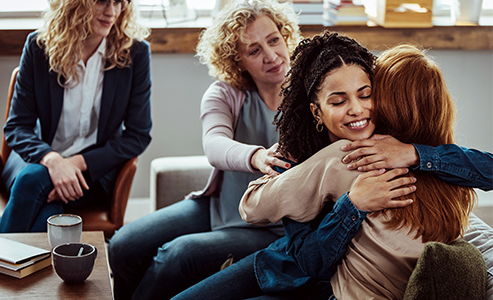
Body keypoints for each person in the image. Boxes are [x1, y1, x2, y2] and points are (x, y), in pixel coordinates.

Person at [172, 33, 490, 299]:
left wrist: (414, 153)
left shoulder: (388, 150)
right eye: (338, 101)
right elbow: (281, 232)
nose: (356, 109)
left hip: (323, 283)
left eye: (366, 95)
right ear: (317, 111)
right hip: (286, 265)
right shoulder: (315, 154)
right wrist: (353, 205)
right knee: (181, 261)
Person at [107, 1, 302, 299]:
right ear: (237, 61)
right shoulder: (224, 93)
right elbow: (214, 145)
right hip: (220, 207)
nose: (271, 56)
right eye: (254, 50)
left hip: (274, 229)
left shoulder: (312, 94)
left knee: (177, 254)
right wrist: (256, 156)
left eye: (274, 40)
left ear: (285, 35)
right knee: (123, 244)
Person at [0, 0, 152, 233]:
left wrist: (74, 165)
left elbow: (137, 136)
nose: (111, 12)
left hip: (91, 175)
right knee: (37, 187)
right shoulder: (39, 47)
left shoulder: (136, 53)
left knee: (36, 189)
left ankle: (0, 266)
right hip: (37, 160)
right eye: (101, 1)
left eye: (119, 2)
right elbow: (17, 126)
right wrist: (53, 161)